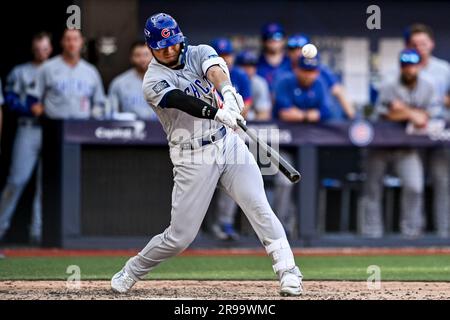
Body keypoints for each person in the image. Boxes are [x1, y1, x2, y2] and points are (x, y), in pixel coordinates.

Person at [111, 13, 303, 297]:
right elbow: (179, 100)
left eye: (173, 43)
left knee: (259, 207)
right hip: (191, 154)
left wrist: (229, 93)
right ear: (151, 47)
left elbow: (215, 70)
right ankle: (132, 269)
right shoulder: (152, 79)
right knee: (180, 237)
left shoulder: (198, 51)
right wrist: (217, 111)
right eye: (161, 46)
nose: (169, 50)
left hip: (228, 143)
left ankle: (289, 272)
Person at [360, 49, 434, 238]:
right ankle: (372, 234)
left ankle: (411, 233)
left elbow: (429, 116)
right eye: (406, 66)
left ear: (419, 66)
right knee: (373, 188)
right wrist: (411, 113)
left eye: (413, 66)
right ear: (401, 67)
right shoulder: (388, 85)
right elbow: (386, 114)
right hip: (380, 144)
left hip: (406, 146)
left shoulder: (428, 86)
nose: (409, 70)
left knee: (414, 186)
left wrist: (405, 111)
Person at [0, 32, 53, 244]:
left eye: (45, 48)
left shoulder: (57, 70)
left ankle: (39, 236)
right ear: (33, 49)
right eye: (38, 48)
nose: (41, 52)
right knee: (16, 180)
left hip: (54, 132)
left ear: (50, 49)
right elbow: (8, 100)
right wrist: (28, 108)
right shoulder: (20, 71)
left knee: (46, 185)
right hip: (28, 128)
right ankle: (1, 229)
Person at [273, 55, 333, 235]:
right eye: (305, 71)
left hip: (310, 147)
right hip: (284, 143)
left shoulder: (320, 83)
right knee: (284, 181)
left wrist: (301, 115)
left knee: (310, 182)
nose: (309, 75)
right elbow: (284, 113)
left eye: (312, 71)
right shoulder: (285, 81)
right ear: (297, 69)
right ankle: (277, 228)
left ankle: (303, 228)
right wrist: (310, 116)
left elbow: (326, 111)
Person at [405, 23, 450, 238]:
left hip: (439, 132)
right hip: (411, 133)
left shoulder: (443, 69)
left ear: (431, 44)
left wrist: (441, 100)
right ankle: (414, 232)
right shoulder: (405, 67)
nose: (420, 47)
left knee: (443, 181)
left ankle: (445, 231)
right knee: (415, 183)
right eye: (415, 44)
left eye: (423, 43)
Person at [209, 38, 253, 241]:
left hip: (234, 130)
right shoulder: (203, 75)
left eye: (228, 55)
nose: (225, 59)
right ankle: (206, 225)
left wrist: (232, 117)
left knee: (234, 178)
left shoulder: (240, 76)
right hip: (207, 132)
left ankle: (225, 223)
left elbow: (245, 108)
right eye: (221, 55)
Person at [29, 29, 106, 120]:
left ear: (81, 42)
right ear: (62, 42)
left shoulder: (91, 71)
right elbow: (32, 97)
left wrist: (93, 117)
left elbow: (99, 102)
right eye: (68, 39)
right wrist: (41, 112)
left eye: (75, 39)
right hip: (54, 125)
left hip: (82, 126)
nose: (71, 43)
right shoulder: (47, 68)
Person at [275, 33, 355, 120]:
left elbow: (337, 91)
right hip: (287, 125)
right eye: (293, 50)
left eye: (302, 49)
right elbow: (283, 110)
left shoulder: (320, 72)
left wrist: (352, 117)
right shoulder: (283, 70)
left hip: (317, 123)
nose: (297, 53)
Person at [108, 41, 157, 120]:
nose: (142, 59)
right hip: (129, 129)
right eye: (138, 55)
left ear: (153, 56)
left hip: (160, 129)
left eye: (146, 55)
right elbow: (111, 114)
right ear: (131, 58)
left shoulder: (165, 81)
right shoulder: (119, 83)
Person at [235, 50, 272, 120]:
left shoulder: (259, 83)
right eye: (245, 65)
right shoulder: (231, 81)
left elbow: (264, 114)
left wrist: (249, 116)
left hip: (253, 125)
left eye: (252, 65)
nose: (249, 69)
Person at [257, 22, 291, 91]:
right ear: (264, 41)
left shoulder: (291, 62)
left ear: (284, 40)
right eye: (269, 36)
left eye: (278, 36)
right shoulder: (257, 63)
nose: (273, 40)